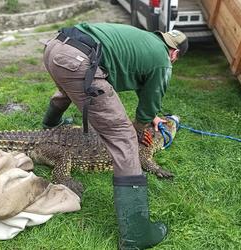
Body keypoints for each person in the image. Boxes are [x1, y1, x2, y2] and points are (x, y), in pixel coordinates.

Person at [42, 22, 188, 249]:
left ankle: (50, 125)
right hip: (78, 61)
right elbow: (153, 92)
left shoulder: (146, 41)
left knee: (67, 89)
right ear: (175, 53)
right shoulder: (163, 61)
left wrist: (152, 116)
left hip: (56, 48)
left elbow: (146, 87)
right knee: (124, 136)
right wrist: (138, 130)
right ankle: (136, 234)